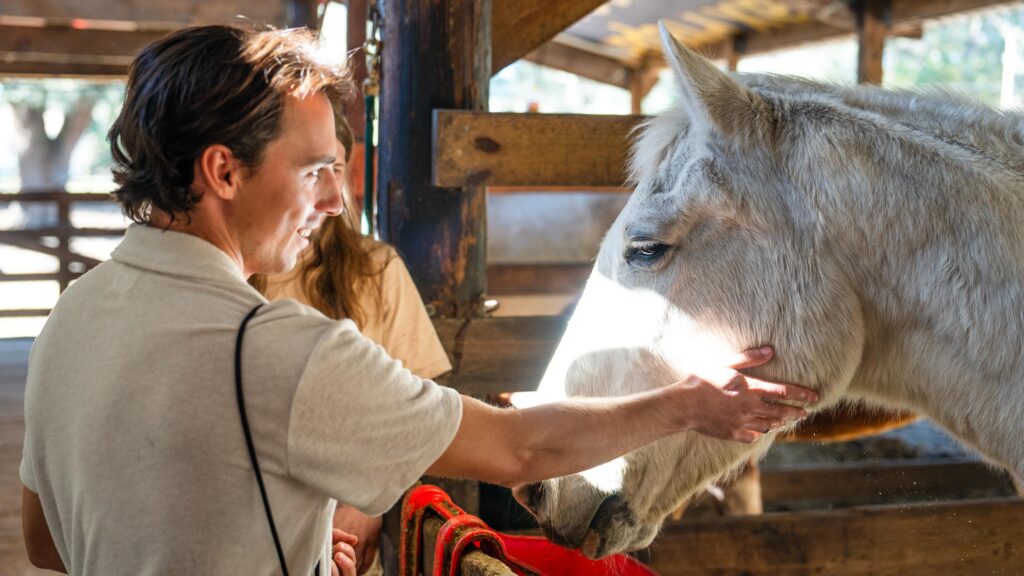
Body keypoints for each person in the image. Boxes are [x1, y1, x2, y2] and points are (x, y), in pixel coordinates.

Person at [20, 25, 818, 576]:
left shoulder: (73, 318)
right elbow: (520, 452)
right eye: (313, 170)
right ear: (223, 173)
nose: (334, 201)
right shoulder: (275, 349)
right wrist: (689, 405)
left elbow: (46, 543)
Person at [250, 107, 449, 574]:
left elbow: (426, 410)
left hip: (346, 528)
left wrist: (370, 503)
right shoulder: (238, 273)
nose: (329, 193)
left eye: (336, 168)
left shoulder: (376, 269)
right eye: (313, 171)